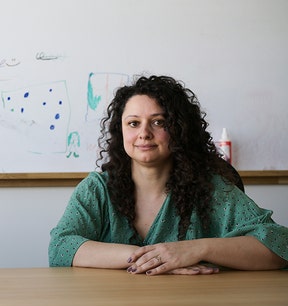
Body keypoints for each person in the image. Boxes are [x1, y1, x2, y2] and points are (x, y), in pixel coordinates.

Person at [49, 75, 288, 275]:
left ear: (179, 129)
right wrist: (157, 259)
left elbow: (279, 246)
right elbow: (61, 247)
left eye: (158, 122)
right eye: (133, 123)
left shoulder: (211, 189)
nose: (144, 133)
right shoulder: (97, 189)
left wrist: (195, 250)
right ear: (119, 130)